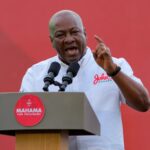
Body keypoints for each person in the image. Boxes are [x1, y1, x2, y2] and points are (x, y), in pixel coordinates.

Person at [20, 10, 150, 150]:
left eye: (74, 32)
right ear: (51, 41)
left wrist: (113, 71)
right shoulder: (35, 74)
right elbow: (22, 121)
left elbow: (143, 103)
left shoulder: (112, 65)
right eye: (60, 35)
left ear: (85, 34)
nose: (69, 39)